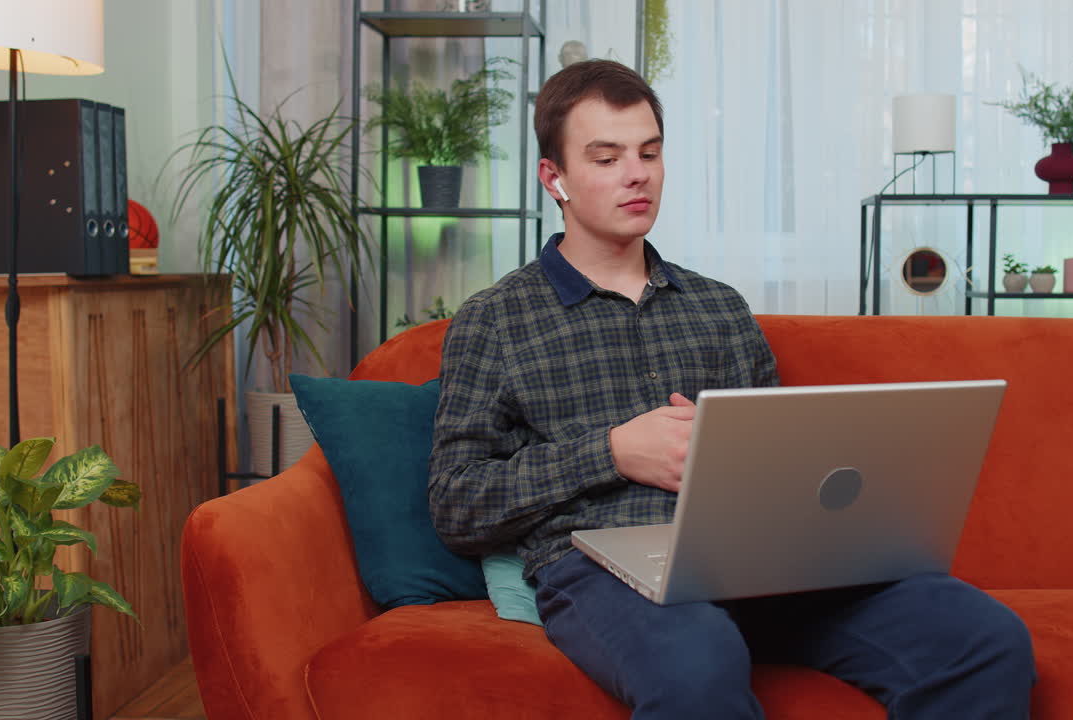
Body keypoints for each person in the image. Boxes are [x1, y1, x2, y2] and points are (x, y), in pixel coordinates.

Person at [429, 59, 1036, 719]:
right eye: (606, 158)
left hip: (757, 564)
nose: (637, 174)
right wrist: (611, 451)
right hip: (602, 569)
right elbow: (457, 504)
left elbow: (787, 467)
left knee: (980, 638)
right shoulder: (495, 319)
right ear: (556, 179)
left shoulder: (718, 308)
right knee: (696, 663)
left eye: (649, 152)